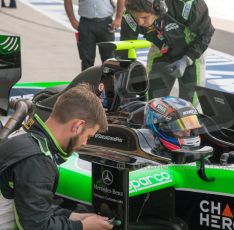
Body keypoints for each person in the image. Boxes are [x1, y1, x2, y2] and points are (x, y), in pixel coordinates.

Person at [0, 84, 113, 229]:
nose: (85, 143)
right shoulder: (38, 161)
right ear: (77, 126)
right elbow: (37, 226)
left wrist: (71, 216)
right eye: (88, 136)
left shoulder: (28, 137)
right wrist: (82, 227)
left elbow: (29, 204)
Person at [120, 0, 214, 105]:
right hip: (161, 50)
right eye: (135, 17)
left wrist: (186, 60)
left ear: (159, 8)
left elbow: (206, 33)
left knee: (191, 103)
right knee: (153, 101)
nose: (140, 22)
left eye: (144, 17)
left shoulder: (188, 4)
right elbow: (125, 48)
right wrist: (124, 76)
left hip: (191, 51)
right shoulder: (129, 17)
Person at [64, 0, 125, 71]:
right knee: (86, 60)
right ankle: (87, 81)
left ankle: (108, 81)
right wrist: (72, 20)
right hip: (86, 24)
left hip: (106, 24)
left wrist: (118, 18)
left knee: (109, 60)